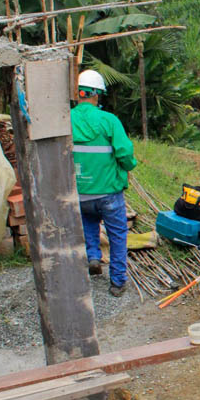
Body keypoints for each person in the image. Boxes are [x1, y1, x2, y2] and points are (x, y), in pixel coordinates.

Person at [71, 69, 137, 298]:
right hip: (108, 192)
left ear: (78, 93)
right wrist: (129, 166)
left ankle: (93, 257)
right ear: (97, 94)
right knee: (117, 236)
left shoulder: (66, 120)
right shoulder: (109, 121)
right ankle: (117, 282)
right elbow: (125, 154)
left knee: (89, 223)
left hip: (80, 192)